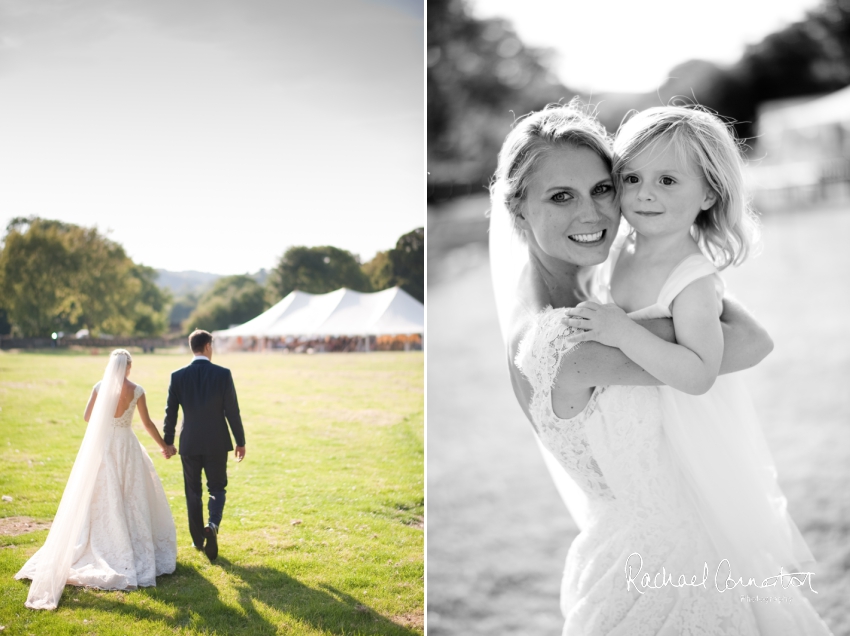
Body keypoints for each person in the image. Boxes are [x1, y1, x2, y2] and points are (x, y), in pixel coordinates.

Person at [489, 101, 832, 634]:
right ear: (518, 209)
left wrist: (675, 258)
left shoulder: (586, 286)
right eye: (561, 197)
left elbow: (743, 331)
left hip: (667, 539)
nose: (594, 214)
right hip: (660, 555)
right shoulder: (569, 341)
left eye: (603, 188)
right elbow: (748, 341)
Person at [15, 349, 177, 610]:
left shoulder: (100, 387)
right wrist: (164, 446)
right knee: (131, 495)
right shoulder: (137, 391)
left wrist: (106, 421)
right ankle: (128, 544)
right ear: (129, 368)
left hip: (104, 446)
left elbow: (87, 417)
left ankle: (103, 542)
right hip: (127, 446)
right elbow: (147, 423)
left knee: (102, 495)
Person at [163, 329, 246, 562]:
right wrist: (240, 441)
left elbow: (171, 413)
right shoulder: (223, 374)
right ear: (208, 346)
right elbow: (233, 411)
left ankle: (198, 539)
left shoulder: (177, 376)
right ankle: (213, 524)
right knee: (217, 488)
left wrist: (168, 441)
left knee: (193, 492)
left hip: (189, 442)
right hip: (217, 442)